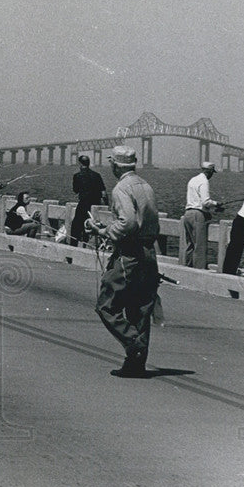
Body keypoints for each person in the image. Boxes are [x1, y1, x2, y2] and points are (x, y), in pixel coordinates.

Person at [89, 145, 161, 378]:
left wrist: (104, 231)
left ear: (116, 165)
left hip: (129, 254)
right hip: (149, 253)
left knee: (106, 304)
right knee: (140, 308)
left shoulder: (121, 188)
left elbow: (128, 222)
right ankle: (135, 365)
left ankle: (133, 343)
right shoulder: (146, 186)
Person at [180, 161, 220, 268]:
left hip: (187, 214)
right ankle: (199, 271)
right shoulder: (204, 181)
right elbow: (205, 202)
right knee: (200, 246)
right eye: (212, 172)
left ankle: (187, 268)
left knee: (190, 245)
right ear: (210, 171)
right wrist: (216, 204)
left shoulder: (193, 179)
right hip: (197, 215)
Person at [70, 154, 107, 246]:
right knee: (93, 226)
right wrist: (107, 207)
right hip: (96, 205)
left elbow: (75, 190)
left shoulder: (77, 176)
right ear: (89, 163)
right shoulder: (97, 175)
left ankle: (73, 247)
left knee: (75, 226)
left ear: (80, 163)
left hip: (83, 205)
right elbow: (104, 193)